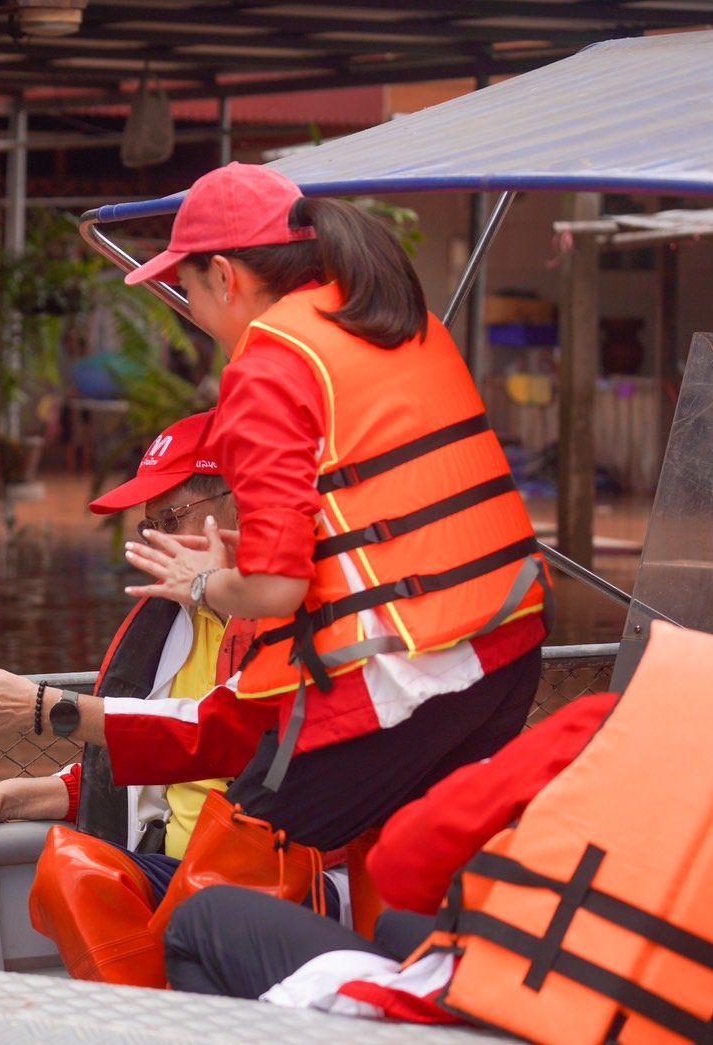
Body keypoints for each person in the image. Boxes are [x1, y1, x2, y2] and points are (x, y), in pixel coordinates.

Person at [107, 161, 550, 853]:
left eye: (186, 288)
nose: (190, 312)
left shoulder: (268, 363)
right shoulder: (398, 322)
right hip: (506, 640)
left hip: (403, 673)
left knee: (224, 879)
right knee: (410, 863)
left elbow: (276, 588)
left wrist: (201, 581)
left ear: (224, 276)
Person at [163, 623, 713, 1041]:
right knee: (401, 926)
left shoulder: (607, 726)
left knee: (202, 921)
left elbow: (400, 867)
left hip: (494, 1019)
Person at [0, 412, 274, 985]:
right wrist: (15, 795)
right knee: (68, 867)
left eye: (171, 518)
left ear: (240, 501)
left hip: (263, 877)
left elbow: (216, 735)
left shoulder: (285, 617)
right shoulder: (171, 615)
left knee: (74, 869)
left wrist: (42, 707)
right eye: (148, 526)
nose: (155, 542)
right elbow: (139, 762)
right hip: (178, 869)